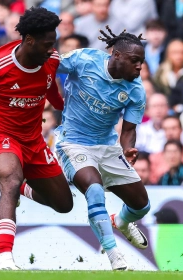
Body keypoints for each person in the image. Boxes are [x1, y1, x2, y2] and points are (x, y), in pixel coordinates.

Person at [0, 7, 73, 270]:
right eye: (47, 44)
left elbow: (51, 89)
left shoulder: (50, 59)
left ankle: (20, 186)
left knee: (64, 204)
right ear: (29, 40)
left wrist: (65, 106)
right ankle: (5, 259)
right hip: (1, 135)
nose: (52, 49)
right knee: (9, 182)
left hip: (34, 140)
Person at [55, 25, 150, 270]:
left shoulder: (136, 90)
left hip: (107, 148)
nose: (140, 67)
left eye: (142, 62)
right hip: (73, 143)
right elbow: (49, 65)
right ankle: (114, 255)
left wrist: (128, 150)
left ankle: (121, 221)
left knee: (142, 205)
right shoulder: (83, 59)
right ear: (116, 55)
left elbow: (128, 131)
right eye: (135, 61)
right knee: (95, 190)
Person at [149, 115, 183, 183]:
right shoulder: (154, 157)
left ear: (181, 130)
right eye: (166, 129)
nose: (170, 133)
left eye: (173, 128)